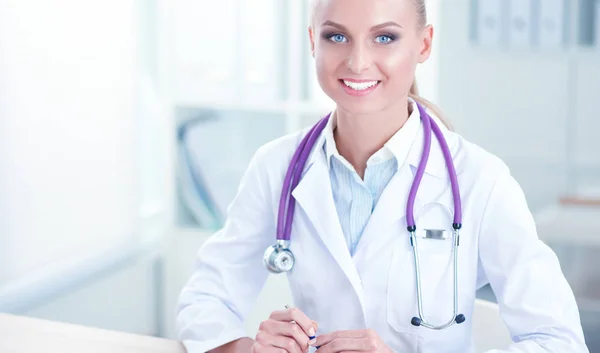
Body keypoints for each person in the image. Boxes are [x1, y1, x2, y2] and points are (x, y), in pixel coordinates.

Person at [176, 0, 589, 352]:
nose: (357, 62)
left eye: (385, 37)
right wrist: (248, 348)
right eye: (336, 37)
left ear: (424, 44)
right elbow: (205, 299)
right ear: (311, 41)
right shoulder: (277, 166)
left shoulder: (481, 181)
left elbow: (558, 340)